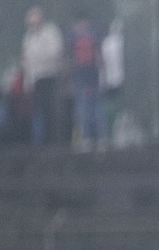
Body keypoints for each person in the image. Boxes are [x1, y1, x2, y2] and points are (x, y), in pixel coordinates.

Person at [20, 7, 65, 145]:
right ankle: (41, 142)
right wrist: (27, 82)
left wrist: (40, 58)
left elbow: (55, 52)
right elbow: (26, 60)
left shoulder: (51, 32)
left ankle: (54, 141)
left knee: (51, 110)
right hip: (35, 79)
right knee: (38, 111)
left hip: (49, 75)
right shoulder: (28, 37)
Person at [68, 16, 102, 150]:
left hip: (86, 76)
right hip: (88, 75)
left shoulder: (75, 39)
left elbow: (70, 59)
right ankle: (96, 138)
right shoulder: (92, 37)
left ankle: (91, 138)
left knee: (87, 107)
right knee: (89, 107)